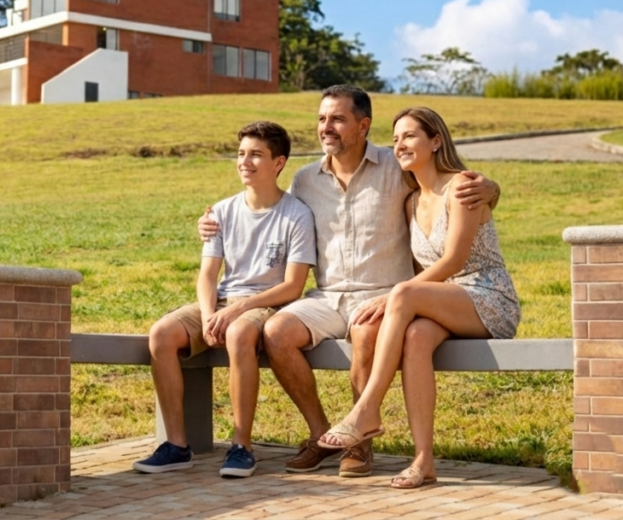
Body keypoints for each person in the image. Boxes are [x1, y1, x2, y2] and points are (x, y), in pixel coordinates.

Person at [197, 85, 499, 478]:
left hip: (383, 292)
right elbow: (270, 208)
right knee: (276, 333)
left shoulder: (396, 166)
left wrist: (492, 189)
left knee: (366, 332)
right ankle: (321, 434)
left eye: (338, 119)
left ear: (363, 125)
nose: (327, 127)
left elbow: (444, 187)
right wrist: (213, 222)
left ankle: (359, 443)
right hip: (326, 296)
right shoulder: (305, 180)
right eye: (322, 118)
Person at [317, 107, 520, 488]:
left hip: (487, 297)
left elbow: (454, 260)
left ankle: (367, 409)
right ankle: (424, 460)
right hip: (444, 302)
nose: (400, 145)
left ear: (436, 141)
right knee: (415, 338)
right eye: (395, 139)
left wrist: (396, 297)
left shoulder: (461, 186)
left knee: (404, 292)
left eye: (410, 136)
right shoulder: (411, 201)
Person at [134, 121, 317, 479]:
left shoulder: (297, 214)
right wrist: (207, 316)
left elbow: (293, 287)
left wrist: (238, 309)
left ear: (279, 163)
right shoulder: (221, 211)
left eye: (256, 155)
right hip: (221, 302)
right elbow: (207, 276)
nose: (244, 162)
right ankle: (176, 445)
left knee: (238, 333)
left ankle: (241, 446)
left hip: (265, 303)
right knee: (161, 334)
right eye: (241, 153)